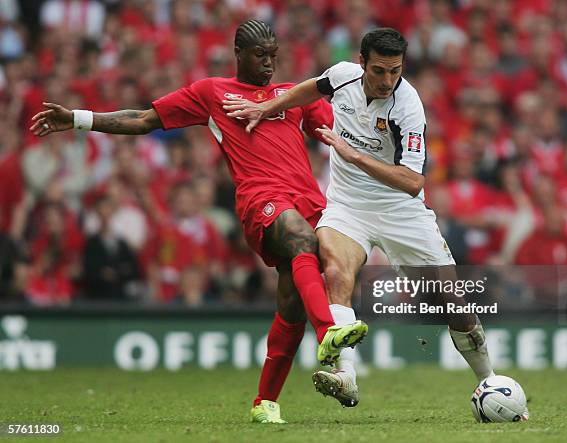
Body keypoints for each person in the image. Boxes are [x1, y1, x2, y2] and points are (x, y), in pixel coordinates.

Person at [29, 19, 368, 424]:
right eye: (261, 55)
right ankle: (328, 330)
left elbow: (341, 133)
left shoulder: (292, 96)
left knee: (292, 301)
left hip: (309, 201)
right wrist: (80, 119)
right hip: (261, 200)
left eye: (273, 56)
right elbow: (143, 119)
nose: (268, 64)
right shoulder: (213, 93)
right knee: (301, 241)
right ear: (238, 54)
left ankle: (265, 402)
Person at [224, 27, 496, 408]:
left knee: (450, 301)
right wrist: (268, 107)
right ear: (361, 63)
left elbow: (413, 182)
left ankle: (489, 380)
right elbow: (311, 88)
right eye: (380, 71)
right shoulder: (341, 76)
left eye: (395, 71)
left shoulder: (408, 107)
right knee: (335, 272)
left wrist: (355, 157)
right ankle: (345, 375)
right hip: (347, 206)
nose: (388, 81)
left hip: (401, 212)